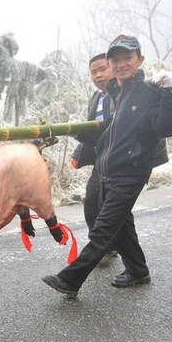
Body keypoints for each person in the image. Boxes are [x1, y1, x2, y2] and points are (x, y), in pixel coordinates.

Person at [42, 35, 172, 297]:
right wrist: (73, 133)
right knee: (121, 225)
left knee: (103, 230)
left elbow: (167, 127)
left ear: (139, 60)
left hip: (130, 172)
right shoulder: (117, 92)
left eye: (127, 58)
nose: (121, 64)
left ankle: (70, 279)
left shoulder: (150, 92)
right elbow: (108, 133)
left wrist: (170, 91)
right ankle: (138, 270)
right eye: (115, 59)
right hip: (108, 170)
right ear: (110, 63)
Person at [70, 53, 118, 266]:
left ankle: (103, 250)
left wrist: (75, 131)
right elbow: (95, 130)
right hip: (103, 160)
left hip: (121, 160)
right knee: (93, 203)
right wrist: (78, 152)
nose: (98, 75)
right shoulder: (97, 97)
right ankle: (114, 249)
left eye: (103, 69)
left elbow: (110, 128)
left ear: (113, 67)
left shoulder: (124, 93)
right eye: (94, 71)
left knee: (108, 207)